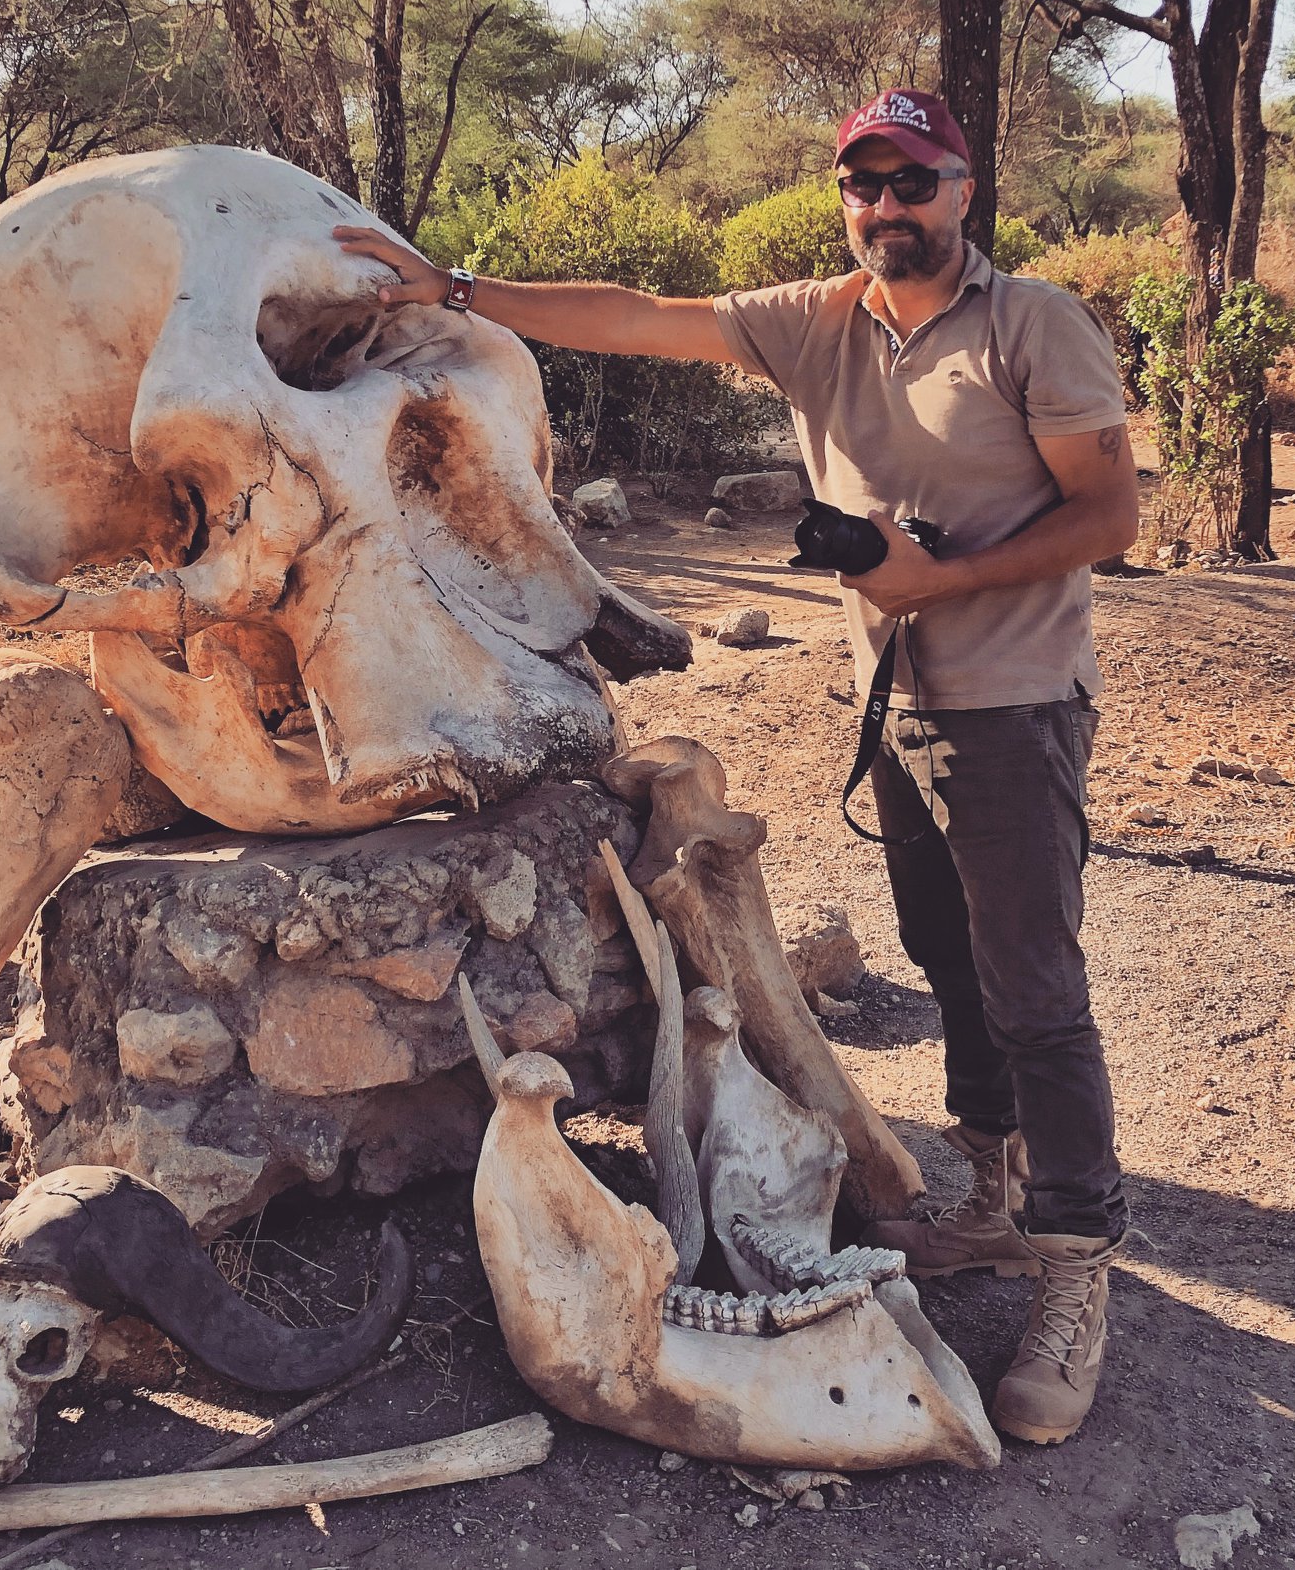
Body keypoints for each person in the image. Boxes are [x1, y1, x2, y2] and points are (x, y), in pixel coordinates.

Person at [334, 87, 1137, 1447]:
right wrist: (457, 287)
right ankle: (992, 1192)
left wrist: (936, 579)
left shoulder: (1028, 322)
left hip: (1009, 705)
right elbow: (641, 315)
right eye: (860, 187)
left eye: (911, 182)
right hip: (902, 701)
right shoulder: (819, 321)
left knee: (1035, 990)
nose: (884, 208)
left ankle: (1074, 1266)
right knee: (946, 958)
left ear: (960, 188)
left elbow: (1110, 510)